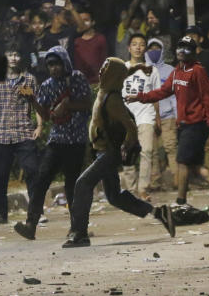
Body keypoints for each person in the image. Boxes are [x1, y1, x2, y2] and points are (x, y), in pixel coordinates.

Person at [57, 58, 176, 248]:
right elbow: (123, 71)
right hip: (101, 151)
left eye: (106, 68)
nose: (102, 70)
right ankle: (159, 213)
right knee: (114, 196)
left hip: (109, 152)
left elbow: (130, 126)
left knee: (82, 184)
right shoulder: (107, 88)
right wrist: (138, 67)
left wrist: (127, 145)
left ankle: (79, 234)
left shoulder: (112, 98)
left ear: (112, 74)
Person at [127, 37, 209, 210]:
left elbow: (208, 98)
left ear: (193, 51)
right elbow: (162, 92)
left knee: (182, 162)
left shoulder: (197, 71)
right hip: (184, 124)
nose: (182, 51)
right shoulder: (177, 71)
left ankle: (181, 201)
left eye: (186, 48)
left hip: (196, 124)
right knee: (195, 165)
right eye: (180, 47)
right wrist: (139, 97)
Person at [14, 47, 92, 239]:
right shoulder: (48, 85)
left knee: (72, 185)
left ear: (65, 62)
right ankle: (31, 224)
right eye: (50, 65)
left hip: (76, 140)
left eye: (56, 64)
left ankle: (77, 228)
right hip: (57, 139)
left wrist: (67, 105)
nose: (54, 69)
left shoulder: (77, 78)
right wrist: (32, 100)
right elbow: (46, 115)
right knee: (41, 181)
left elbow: (87, 104)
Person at [0, 46, 41, 224]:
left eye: (16, 54)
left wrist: (39, 125)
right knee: (0, 176)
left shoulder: (29, 79)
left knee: (32, 171)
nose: (13, 58)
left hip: (24, 132)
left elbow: (38, 104)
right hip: (1, 134)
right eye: (9, 55)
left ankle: (37, 212)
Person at [120, 34, 163, 199]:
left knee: (146, 151)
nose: (138, 47)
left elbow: (155, 96)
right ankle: (131, 190)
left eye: (141, 44)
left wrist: (157, 118)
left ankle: (143, 188)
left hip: (146, 115)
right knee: (127, 153)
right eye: (134, 44)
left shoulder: (152, 70)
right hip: (126, 117)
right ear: (128, 48)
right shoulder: (121, 68)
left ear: (145, 48)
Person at [146, 37, 179, 190]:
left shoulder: (170, 70)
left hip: (167, 115)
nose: (154, 52)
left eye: (157, 49)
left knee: (171, 147)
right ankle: (155, 182)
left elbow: (175, 95)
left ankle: (177, 179)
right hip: (148, 117)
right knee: (150, 151)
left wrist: (177, 115)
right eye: (151, 49)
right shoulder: (141, 70)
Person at [72, 7, 109, 92]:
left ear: (93, 22)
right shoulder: (75, 40)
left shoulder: (100, 39)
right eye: (80, 20)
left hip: (96, 84)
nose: (82, 23)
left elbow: (105, 61)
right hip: (79, 84)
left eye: (86, 20)